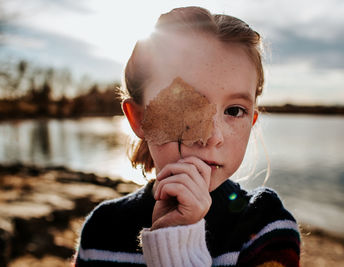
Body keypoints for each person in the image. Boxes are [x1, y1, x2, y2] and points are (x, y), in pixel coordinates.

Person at [74, 6, 300, 267]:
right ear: (138, 119)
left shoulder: (265, 226)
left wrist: (176, 248)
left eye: (234, 111)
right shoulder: (102, 229)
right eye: (185, 107)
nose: (213, 136)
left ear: (251, 121)